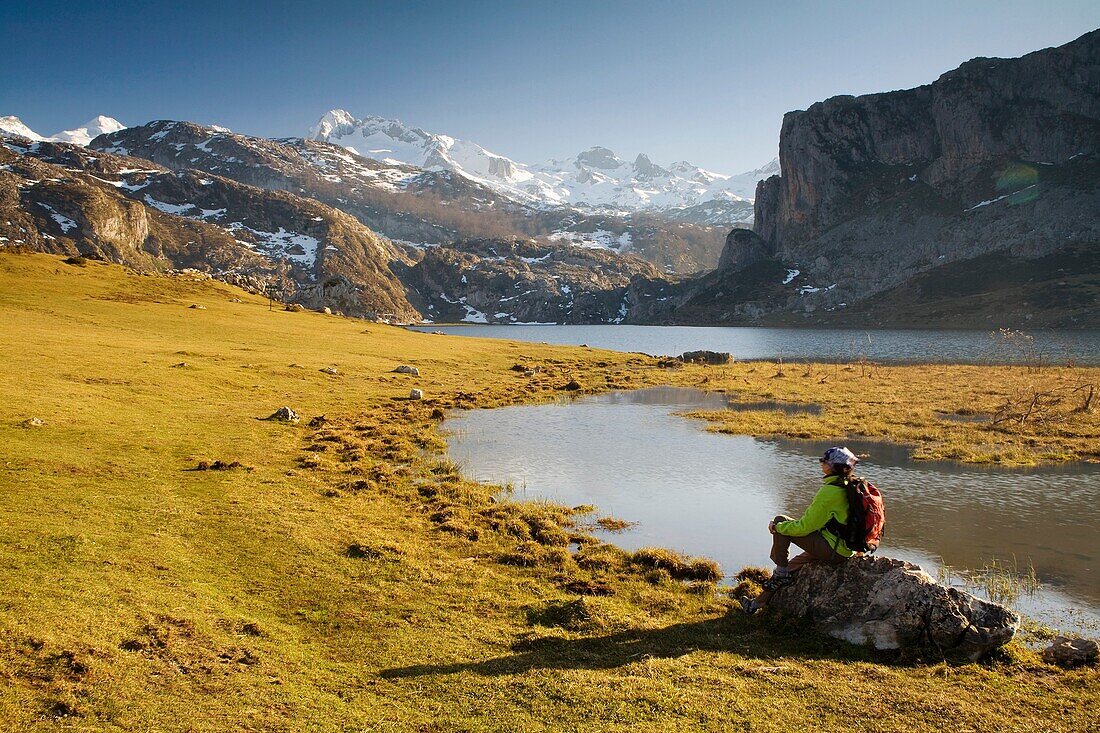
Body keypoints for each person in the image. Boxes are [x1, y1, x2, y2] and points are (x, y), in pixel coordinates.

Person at [741, 446, 859, 614]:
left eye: (823, 461)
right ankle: (755, 604)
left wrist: (777, 528)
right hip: (843, 547)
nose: (821, 463)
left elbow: (805, 527)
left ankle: (780, 572)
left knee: (781, 521)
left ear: (832, 466)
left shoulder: (831, 491)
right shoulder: (850, 485)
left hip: (833, 550)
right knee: (792, 566)